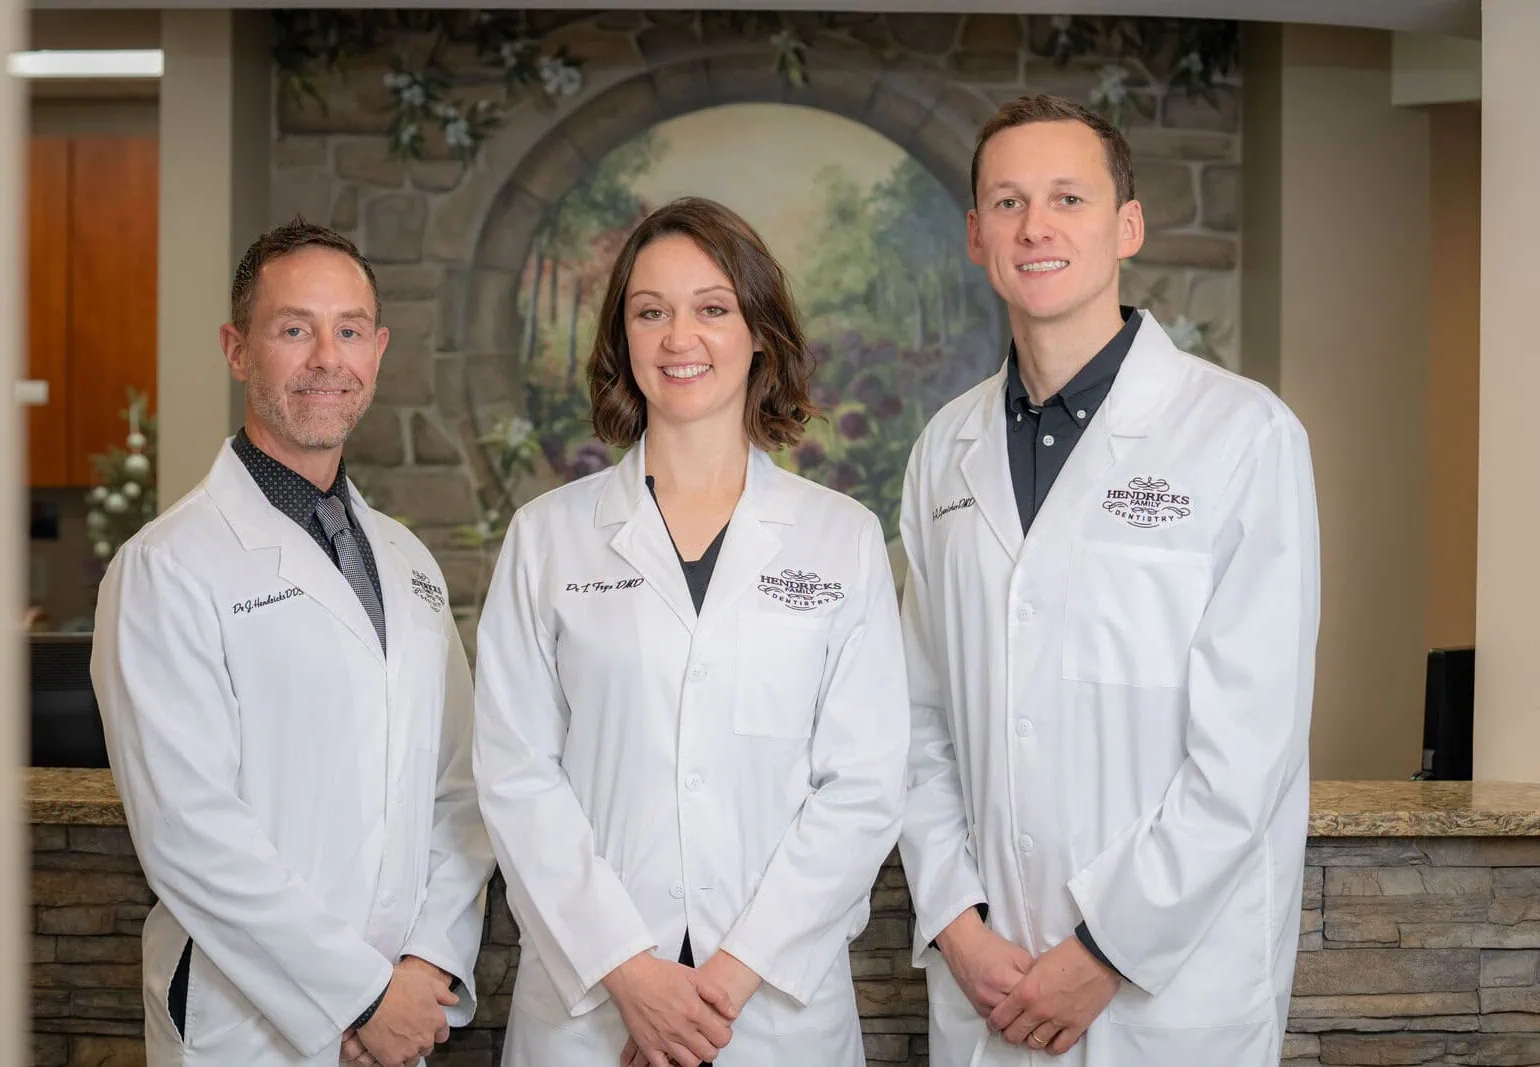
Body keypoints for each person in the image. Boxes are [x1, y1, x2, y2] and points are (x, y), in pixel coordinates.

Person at [896, 94, 1321, 1067]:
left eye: (1066, 198)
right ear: (974, 236)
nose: (1034, 226)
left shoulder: (1241, 434)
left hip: (1165, 990)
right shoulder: (942, 450)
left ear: (1125, 223)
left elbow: (1248, 747)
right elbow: (916, 720)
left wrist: (1102, 947)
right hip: (988, 975)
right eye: (1006, 203)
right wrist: (956, 918)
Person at [470, 196, 910, 1067]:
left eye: (712, 308)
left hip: (771, 1018)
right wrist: (632, 975)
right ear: (623, 340)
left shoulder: (841, 537)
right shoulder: (548, 536)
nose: (680, 337)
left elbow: (862, 789)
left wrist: (722, 986)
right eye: (650, 311)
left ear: (758, 335)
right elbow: (517, 775)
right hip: (594, 1014)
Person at [91, 219, 497, 1067]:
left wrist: (424, 969)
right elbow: (189, 833)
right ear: (238, 350)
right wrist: (359, 995)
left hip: (399, 1018)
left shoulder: (407, 561)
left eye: (348, 330)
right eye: (293, 329)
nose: (325, 358)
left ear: (377, 351)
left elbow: (460, 791)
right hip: (250, 1033)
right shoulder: (165, 568)